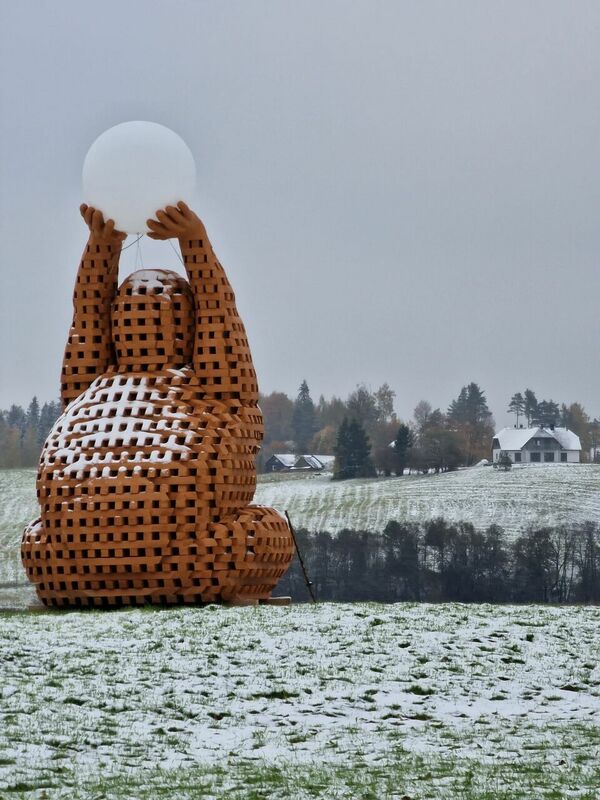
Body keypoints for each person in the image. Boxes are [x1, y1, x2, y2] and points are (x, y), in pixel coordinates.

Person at [21, 202, 294, 607]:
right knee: (269, 529)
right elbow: (221, 315)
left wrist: (101, 246)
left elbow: (86, 317)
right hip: (197, 566)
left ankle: (97, 585)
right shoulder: (216, 391)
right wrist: (194, 240)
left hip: (64, 569)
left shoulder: (87, 391)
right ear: (189, 323)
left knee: (37, 534)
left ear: (117, 327)